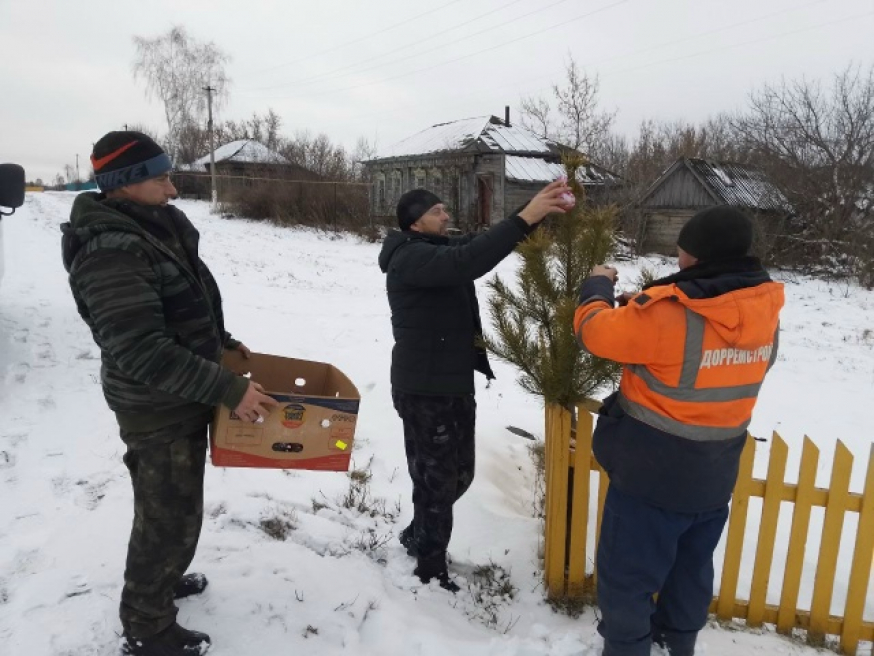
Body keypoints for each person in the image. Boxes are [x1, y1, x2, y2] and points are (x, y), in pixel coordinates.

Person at [61, 131, 277, 656]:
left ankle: (164, 577)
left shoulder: (151, 228)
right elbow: (139, 349)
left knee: (178, 506)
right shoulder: (112, 250)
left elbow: (179, 306)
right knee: (165, 514)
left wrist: (220, 342)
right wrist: (228, 387)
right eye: (160, 178)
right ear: (124, 184)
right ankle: (147, 623)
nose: (173, 188)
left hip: (181, 393)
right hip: (155, 405)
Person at [573, 206, 784, 656]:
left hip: (651, 475)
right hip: (715, 473)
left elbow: (594, 332)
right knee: (690, 569)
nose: (678, 258)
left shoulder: (667, 313)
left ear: (696, 256)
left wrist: (597, 285)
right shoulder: (764, 310)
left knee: (627, 578)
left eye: (682, 251)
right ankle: (676, 645)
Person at [378, 181, 572, 591]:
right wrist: (527, 215)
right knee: (435, 481)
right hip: (424, 390)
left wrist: (532, 210)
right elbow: (470, 260)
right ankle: (429, 569)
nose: (446, 216)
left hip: (451, 385)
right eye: (438, 211)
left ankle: (419, 534)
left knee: (459, 474)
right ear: (415, 223)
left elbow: (479, 244)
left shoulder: (435, 248)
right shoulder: (410, 258)